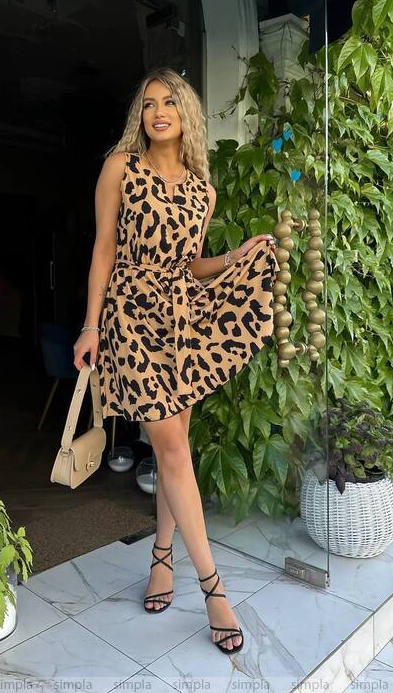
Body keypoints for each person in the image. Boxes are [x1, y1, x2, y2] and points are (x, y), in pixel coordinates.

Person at [73, 67, 279, 655]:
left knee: (174, 449)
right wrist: (92, 325)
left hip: (181, 321)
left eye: (169, 102)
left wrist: (234, 256)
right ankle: (214, 589)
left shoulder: (202, 190)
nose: (158, 111)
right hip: (131, 320)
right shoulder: (120, 169)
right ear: (139, 116)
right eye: (148, 104)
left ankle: (162, 557)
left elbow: (188, 267)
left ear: (186, 112)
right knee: (170, 447)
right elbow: (104, 250)